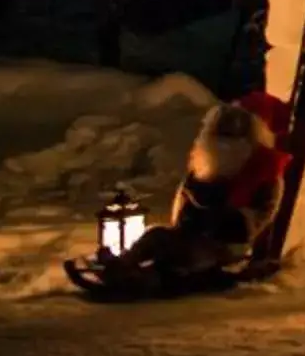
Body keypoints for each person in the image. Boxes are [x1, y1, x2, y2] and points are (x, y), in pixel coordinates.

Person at [91, 92, 292, 293]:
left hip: (225, 244)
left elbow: (259, 217)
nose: (223, 145)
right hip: (192, 234)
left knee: (188, 257)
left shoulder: (264, 174)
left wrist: (223, 215)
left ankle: (149, 280)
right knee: (156, 236)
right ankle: (124, 263)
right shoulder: (204, 169)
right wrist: (188, 215)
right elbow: (183, 204)